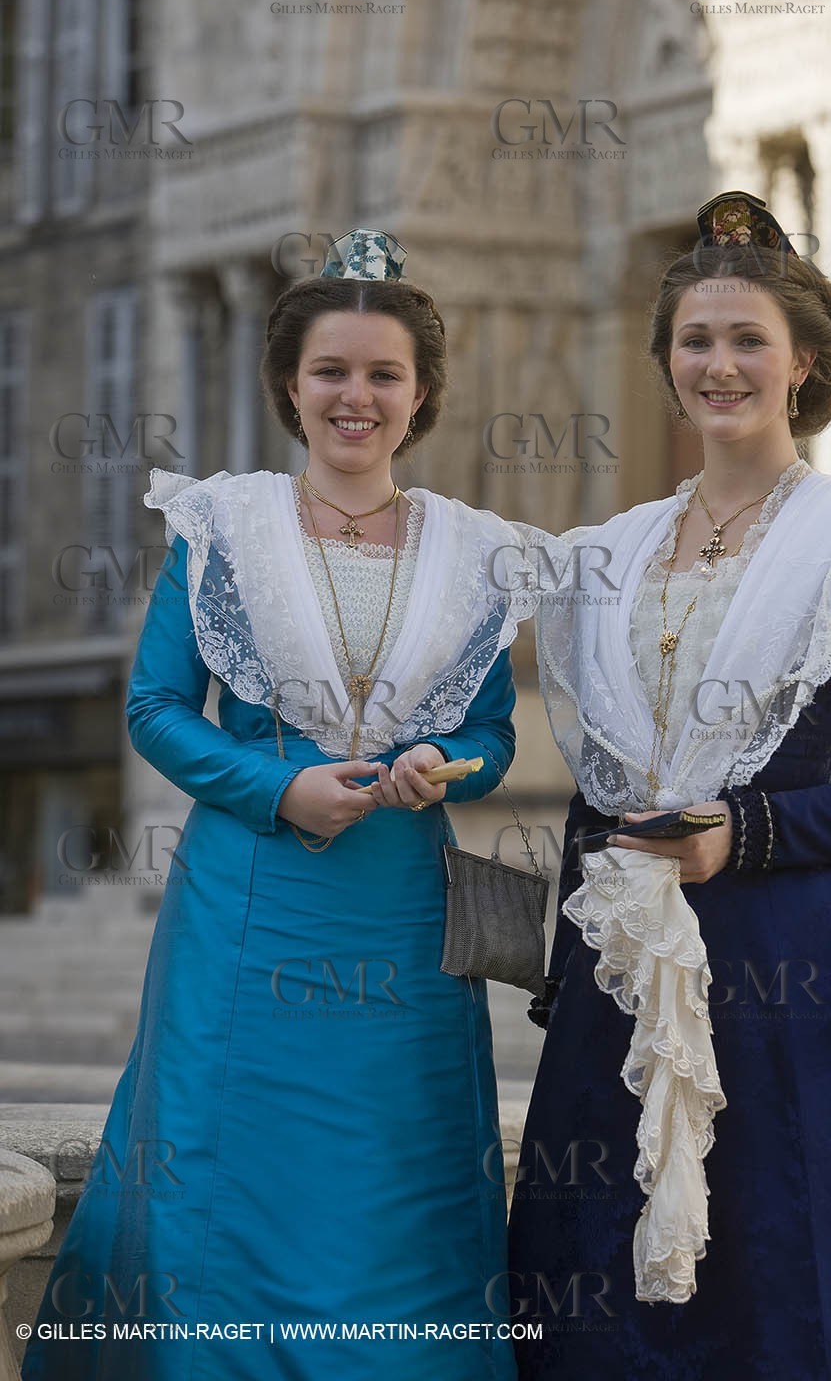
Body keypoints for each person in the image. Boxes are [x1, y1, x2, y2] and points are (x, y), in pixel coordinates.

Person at [507, 193, 831, 1380]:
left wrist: (755, 829)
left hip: (800, 966)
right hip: (624, 969)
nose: (716, 365)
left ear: (803, 362)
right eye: (693, 340)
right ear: (665, 358)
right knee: (604, 1278)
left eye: (745, 341)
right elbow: (602, 785)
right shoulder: (610, 549)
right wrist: (567, 966)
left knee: (798, 1269)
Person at [22, 229, 529, 1381]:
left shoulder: (478, 554)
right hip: (251, 893)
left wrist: (440, 763)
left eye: (382, 373)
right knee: (224, 1161)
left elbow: (495, 732)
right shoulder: (218, 527)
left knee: (399, 1168)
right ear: (290, 388)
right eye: (331, 371)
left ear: (421, 393)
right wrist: (277, 785)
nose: (356, 395)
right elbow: (156, 707)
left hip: (404, 910)